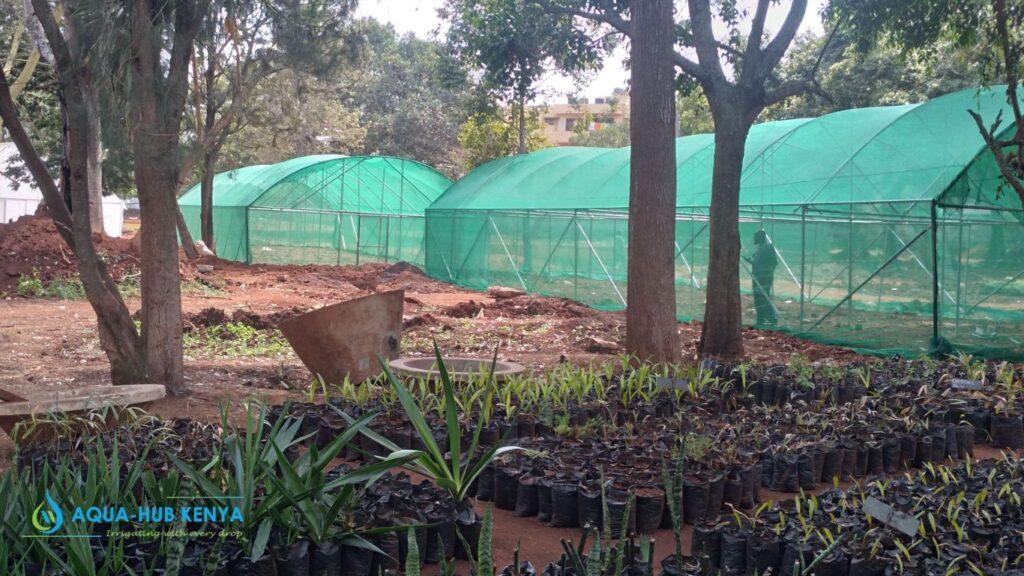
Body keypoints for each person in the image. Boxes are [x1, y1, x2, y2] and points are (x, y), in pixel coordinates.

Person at [745, 230, 778, 327]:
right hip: (756, 276)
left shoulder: (768, 248)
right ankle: (761, 319)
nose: (754, 239)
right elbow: (756, 262)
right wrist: (750, 261)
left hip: (765, 278)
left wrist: (768, 275)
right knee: (758, 298)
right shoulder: (759, 248)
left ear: (761, 237)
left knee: (765, 297)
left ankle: (772, 318)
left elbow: (773, 263)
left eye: (756, 237)